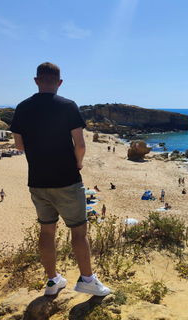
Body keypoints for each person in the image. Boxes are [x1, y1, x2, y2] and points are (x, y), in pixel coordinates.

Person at [10, 62, 110, 296]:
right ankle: (87, 280)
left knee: (46, 232)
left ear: (36, 81)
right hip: (67, 179)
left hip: (37, 181)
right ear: (60, 83)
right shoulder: (67, 106)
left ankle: (53, 281)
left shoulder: (22, 107)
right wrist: (77, 163)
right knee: (78, 232)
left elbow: (19, 144)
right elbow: (81, 145)